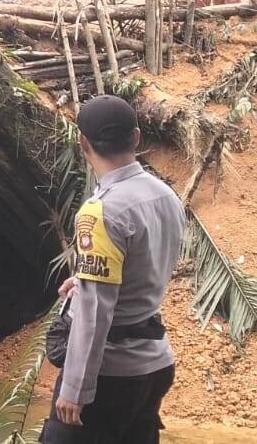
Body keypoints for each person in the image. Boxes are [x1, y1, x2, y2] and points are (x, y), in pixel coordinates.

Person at [43, 95, 185, 444]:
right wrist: (84, 278)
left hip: (110, 374)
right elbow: (145, 261)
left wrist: (76, 387)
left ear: (83, 143)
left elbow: (95, 312)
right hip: (153, 362)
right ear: (136, 137)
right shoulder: (165, 195)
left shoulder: (101, 211)